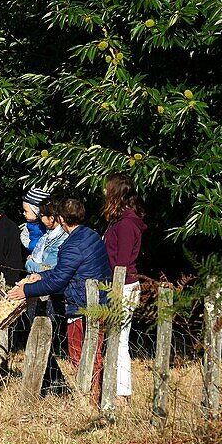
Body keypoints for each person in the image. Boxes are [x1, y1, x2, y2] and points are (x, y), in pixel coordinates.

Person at [6, 196, 111, 402]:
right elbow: (62, 272)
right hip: (98, 302)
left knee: (81, 353)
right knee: (93, 354)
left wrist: (26, 291)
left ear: (61, 218)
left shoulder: (73, 245)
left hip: (83, 306)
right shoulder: (90, 235)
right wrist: (41, 276)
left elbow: (58, 282)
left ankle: (90, 399)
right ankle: (95, 396)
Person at [102, 172, 146, 407]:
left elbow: (121, 261)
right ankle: (115, 387)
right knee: (115, 339)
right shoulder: (118, 221)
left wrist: (114, 289)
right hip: (116, 284)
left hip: (123, 286)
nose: (103, 193)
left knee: (120, 340)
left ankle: (122, 393)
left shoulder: (127, 224)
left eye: (107, 189)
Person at [20, 187, 50, 254]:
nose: (23, 213)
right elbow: (24, 235)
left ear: (36, 211)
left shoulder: (46, 224)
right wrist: (28, 245)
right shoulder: (29, 224)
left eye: (26, 211)